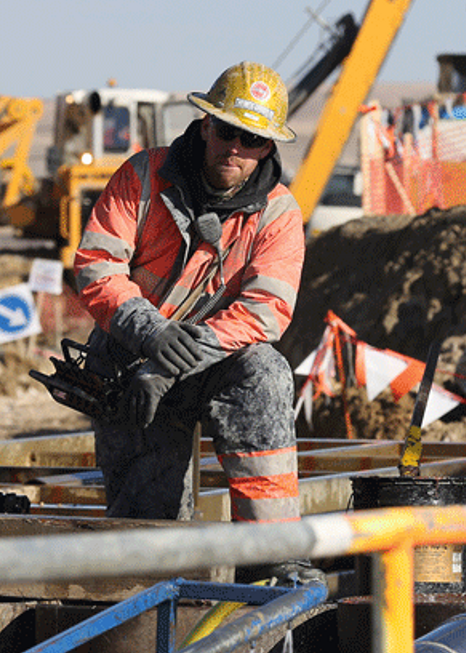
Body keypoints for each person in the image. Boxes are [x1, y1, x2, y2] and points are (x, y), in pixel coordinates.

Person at [73, 61, 316, 581]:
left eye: (251, 139)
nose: (235, 148)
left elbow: (264, 312)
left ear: (267, 148)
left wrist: (176, 360)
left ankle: (274, 558)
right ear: (205, 125)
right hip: (130, 363)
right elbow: (96, 267)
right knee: (148, 534)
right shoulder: (142, 177)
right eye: (227, 131)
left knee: (266, 372)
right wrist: (152, 336)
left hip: (210, 363)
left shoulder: (277, 215)